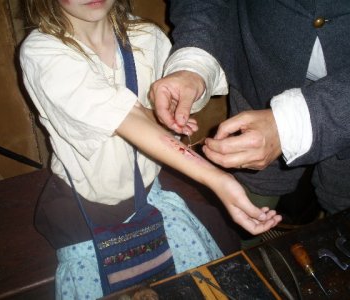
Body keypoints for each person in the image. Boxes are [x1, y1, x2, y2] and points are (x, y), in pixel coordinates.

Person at [19, 0, 281, 298]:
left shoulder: (146, 36)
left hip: (150, 194)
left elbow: (186, 85)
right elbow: (126, 116)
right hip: (85, 207)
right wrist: (215, 177)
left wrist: (179, 101)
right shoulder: (42, 51)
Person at [150, 0, 350, 216]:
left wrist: (290, 124)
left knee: (343, 202)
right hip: (257, 81)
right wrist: (194, 63)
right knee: (251, 198)